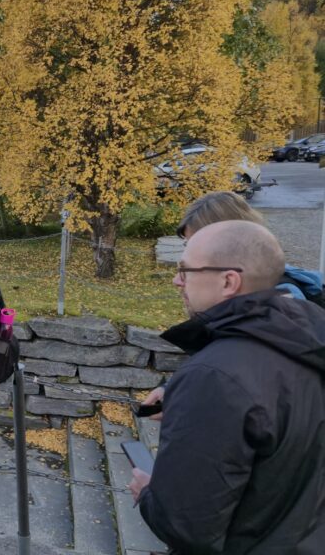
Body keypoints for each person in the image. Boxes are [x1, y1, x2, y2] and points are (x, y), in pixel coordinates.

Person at [129, 220, 325, 553]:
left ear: (228, 281)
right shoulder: (306, 339)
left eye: (186, 271)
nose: (177, 281)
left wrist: (149, 493)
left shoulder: (215, 377)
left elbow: (185, 524)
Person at [141, 191, 323, 417]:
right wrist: (174, 390)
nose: (189, 253)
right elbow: (223, 357)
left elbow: (261, 389)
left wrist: (187, 403)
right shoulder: (246, 299)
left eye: (196, 243)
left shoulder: (283, 302)